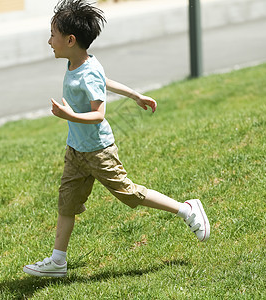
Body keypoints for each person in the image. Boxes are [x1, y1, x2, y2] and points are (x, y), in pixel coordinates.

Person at [23, 0, 210, 278]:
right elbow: (104, 80)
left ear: (70, 40)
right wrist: (135, 94)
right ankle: (57, 261)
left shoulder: (85, 71)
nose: (49, 41)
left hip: (98, 151)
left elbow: (98, 115)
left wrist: (68, 115)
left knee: (129, 194)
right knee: (67, 203)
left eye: (53, 34)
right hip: (76, 151)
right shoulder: (81, 64)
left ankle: (186, 209)